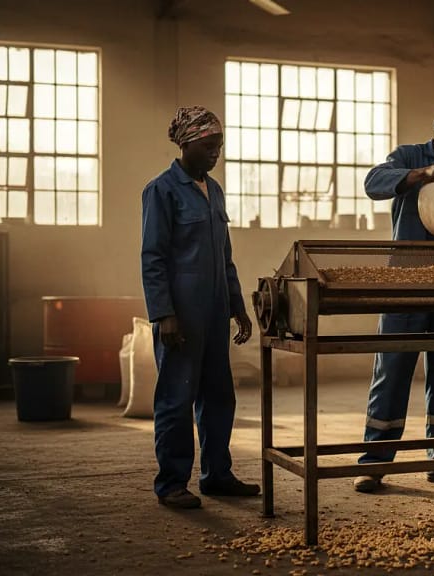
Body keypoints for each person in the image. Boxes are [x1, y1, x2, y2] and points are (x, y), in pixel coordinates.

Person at [352, 98, 434, 493]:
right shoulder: (408, 156)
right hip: (405, 284)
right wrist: (422, 173)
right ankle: (374, 462)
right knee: (392, 370)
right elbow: (374, 183)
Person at [141, 106, 259, 509]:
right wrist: (163, 314)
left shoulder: (215, 190)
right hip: (182, 315)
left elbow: (225, 256)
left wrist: (237, 306)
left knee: (219, 395)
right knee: (176, 397)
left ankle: (217, 475)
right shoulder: (162, 190)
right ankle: (172, 482)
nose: (216, 153)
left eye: (219, 146)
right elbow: (152, 257)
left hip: (213, 311)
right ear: (187, 143)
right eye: (209, 146)